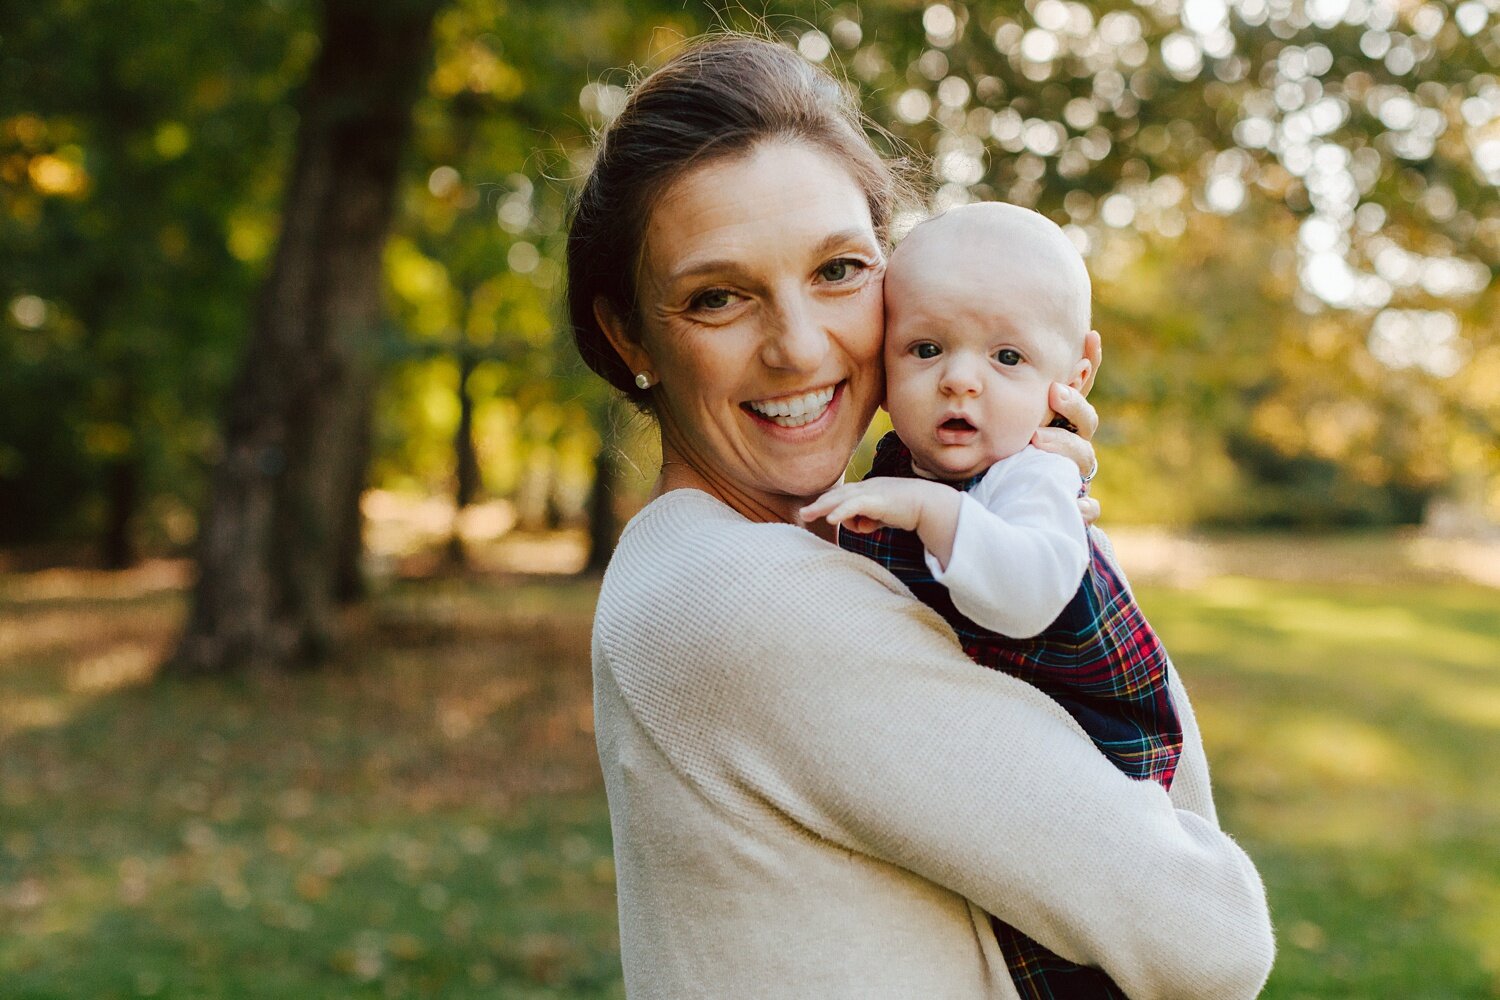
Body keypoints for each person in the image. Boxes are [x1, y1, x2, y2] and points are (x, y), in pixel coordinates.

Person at [568, 34, 1274, 999]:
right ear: (627, 335)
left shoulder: (727, 559)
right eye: (718, 297)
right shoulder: (752, 604)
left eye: (839, 271)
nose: (797, 345)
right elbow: (1210, 933)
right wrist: (1073, 554)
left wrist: (1025, 515)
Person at [803, 202, 1183, 999]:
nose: (960, 378)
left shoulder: (1035, 475)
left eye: (1007, 356)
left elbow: (1026, 594)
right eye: (926, 348)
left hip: (1103, 766)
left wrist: (934, 514)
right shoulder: (909, 467)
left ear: (1073, 379)